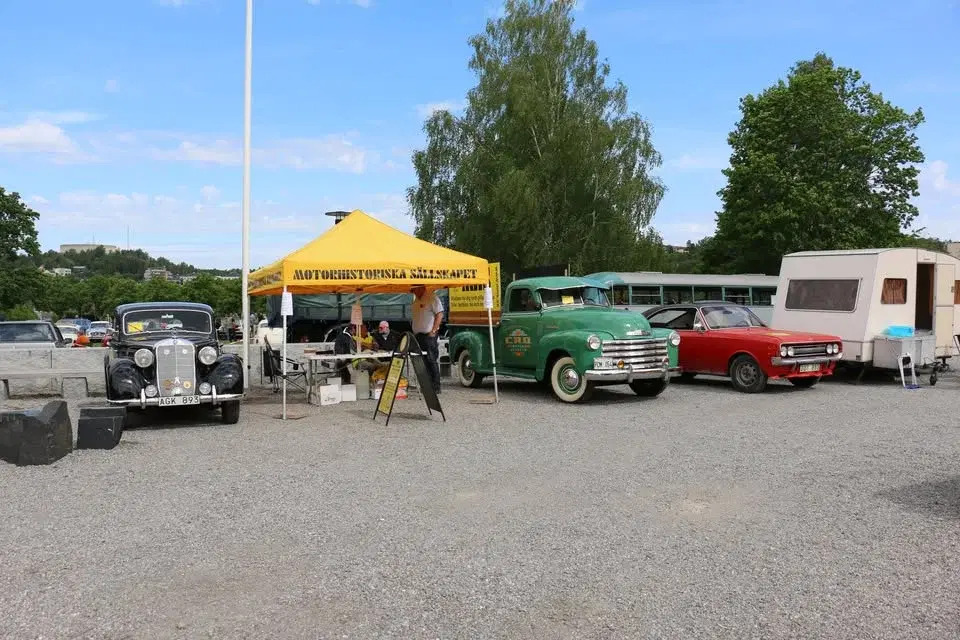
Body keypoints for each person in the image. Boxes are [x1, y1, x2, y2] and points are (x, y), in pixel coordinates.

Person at [411, 285, 443, 395]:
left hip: (428, 335)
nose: (413, 292)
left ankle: (436, 386)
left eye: (414, 289)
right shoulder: (416, 300)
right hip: (418, 335)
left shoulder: (432, 297)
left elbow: (439, 314)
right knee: (422, 361)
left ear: (421, 288)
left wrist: (434, 330)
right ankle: (427, 384)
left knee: (431, 359)